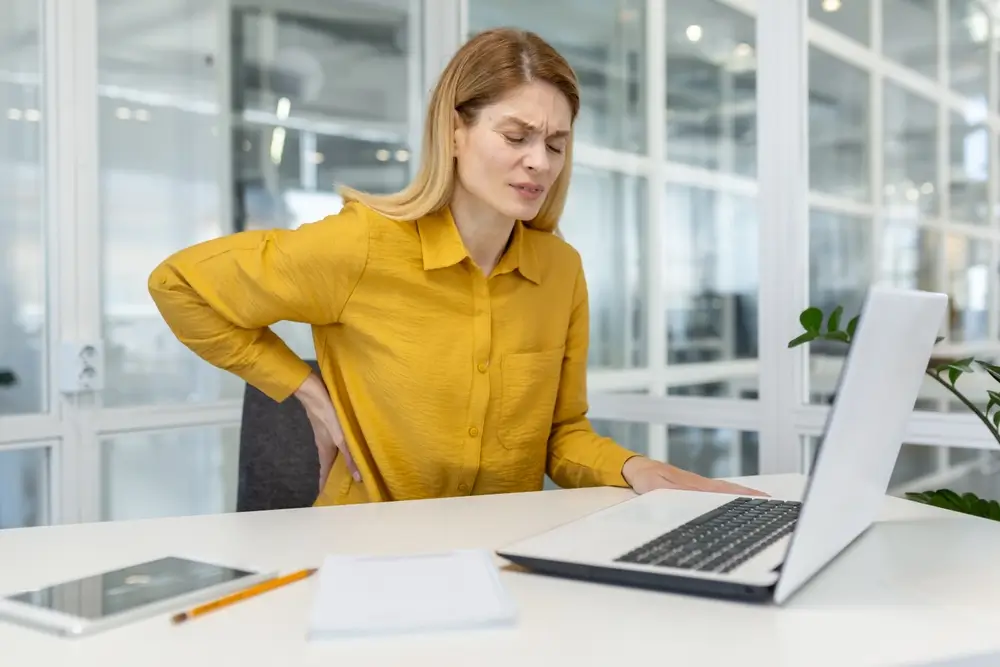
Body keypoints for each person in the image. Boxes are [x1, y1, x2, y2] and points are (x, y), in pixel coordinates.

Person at [148, 27, 763, 506]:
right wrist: (306, 389)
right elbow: (178, 284)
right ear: (455, 132)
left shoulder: (560, 271)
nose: (539, 164)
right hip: (365, 554)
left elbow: (561, 436)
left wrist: (637, 469)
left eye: (555, 144)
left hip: (502, 556)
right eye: (515, 136)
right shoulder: (362, 245)